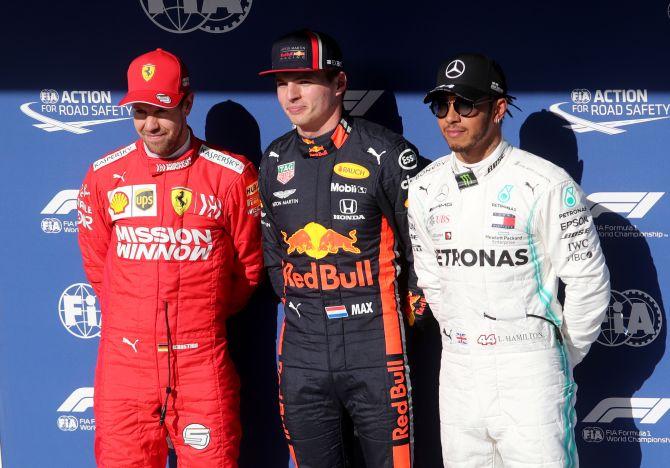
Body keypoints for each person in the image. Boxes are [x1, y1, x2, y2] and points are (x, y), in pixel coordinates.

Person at [407, 53, 610, 467]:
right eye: (440, 106)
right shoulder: (425, 188)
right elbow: (430, 276)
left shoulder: (546, 184)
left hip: (530, 369)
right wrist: (464, 332)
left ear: (498, 109)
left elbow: (589, 282)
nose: (451, 117)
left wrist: (557, 354)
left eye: (465, 104)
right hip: (460, 367)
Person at [77, 48, 263, 467]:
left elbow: (249, 268)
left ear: (187, 102)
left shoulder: (231, 174)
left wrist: (199, 316)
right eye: (139, 112)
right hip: (125, 364)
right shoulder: (105, 175)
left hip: (200, 361)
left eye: (161, 110)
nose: (149, 124)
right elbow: (98, 264)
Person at [258, 29, 426, 468]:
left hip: (376, 346)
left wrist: (408, 311)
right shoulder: (274, 160)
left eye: (304, 80)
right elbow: (274, 256)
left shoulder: (385, 153)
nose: (290, 94)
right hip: (302, 351)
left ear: (339, 84)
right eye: (280, 82)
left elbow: (425, 249)